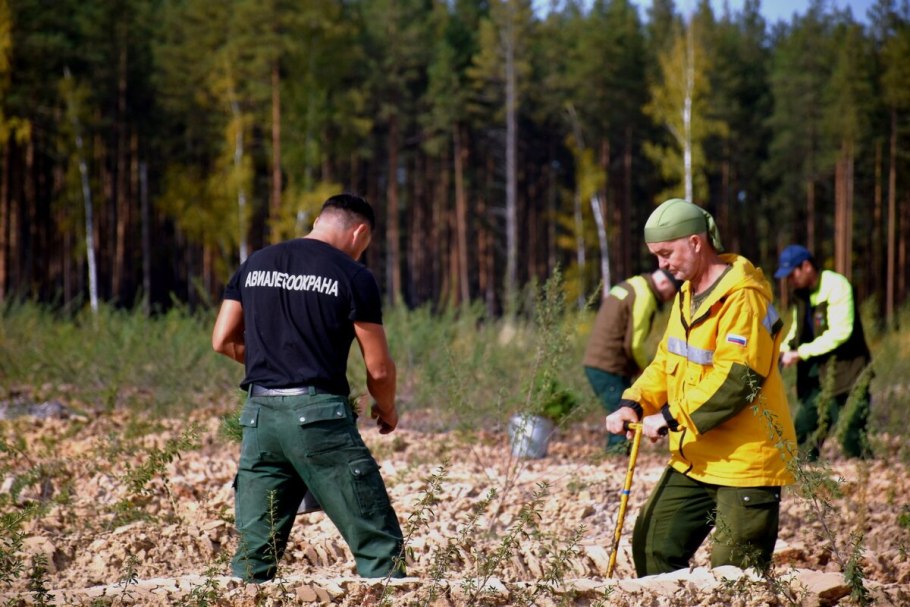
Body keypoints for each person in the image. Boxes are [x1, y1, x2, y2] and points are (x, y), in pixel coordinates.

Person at [212, 193, 404, 583]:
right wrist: (387, 409)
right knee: (380, 546)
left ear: (318, 221)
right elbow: (379, 369)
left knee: (252, 561)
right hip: (319, 420)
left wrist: (276, 367)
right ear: (360, 231)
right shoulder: (353, 276)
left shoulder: (256, 263)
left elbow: (222, 339)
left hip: (260, 418)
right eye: (364, 245)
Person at [605, 198, 797, 577]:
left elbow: (737, 379)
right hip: (696, 457)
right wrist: (635, 403)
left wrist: (672, 416)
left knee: (733, 582)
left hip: (745, 465)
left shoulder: (744, 299)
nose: (661, 264)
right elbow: (665, 361)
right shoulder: (687, 294)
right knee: (652, 547)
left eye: (666, 253)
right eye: (656, 256)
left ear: (695, 242)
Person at [774, 244, 872, 460]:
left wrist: (801, 353)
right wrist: (781, 350)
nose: (790, 281)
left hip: (848, 373)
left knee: (850, 435)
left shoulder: (837, 286)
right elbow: (796, 332)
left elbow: (841, 332)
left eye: (792, 274)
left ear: (807, 266)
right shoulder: (801, 295)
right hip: (816, 377)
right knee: (802, 433)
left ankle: (868, 476)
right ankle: (806, 482)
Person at [583, 269, 680, 449]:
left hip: (595, 361)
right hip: (609, 366)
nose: (668, 299)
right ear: (665, 283)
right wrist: (646, 369)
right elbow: (635, 344)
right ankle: (616, 461)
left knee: (618, 415)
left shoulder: (631, 284)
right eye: (672, 293)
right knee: (623, 419)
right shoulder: (645, 296)